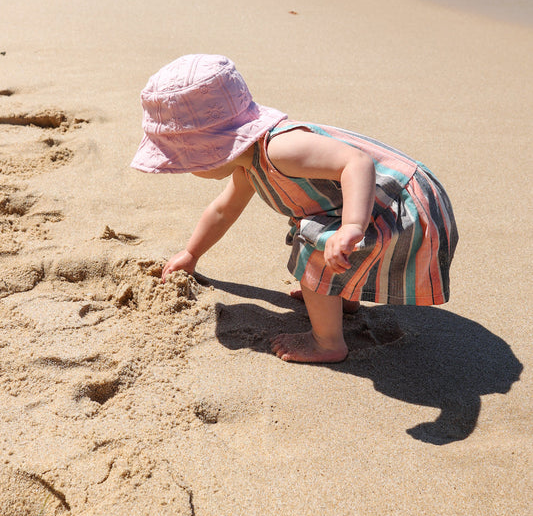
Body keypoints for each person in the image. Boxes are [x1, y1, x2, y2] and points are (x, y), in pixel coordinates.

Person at [131, 54, 458, 364]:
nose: (185, 168)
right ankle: (341, 297)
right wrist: (191, 254)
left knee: (311, 243)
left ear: (214, 148)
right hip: (373, 205)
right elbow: (222, 211)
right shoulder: (249, 166)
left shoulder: (279, 149)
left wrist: (351, 227)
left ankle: (328, 342)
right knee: (320, 238)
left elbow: (355, 163)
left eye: (185, 160)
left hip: (401, 206)